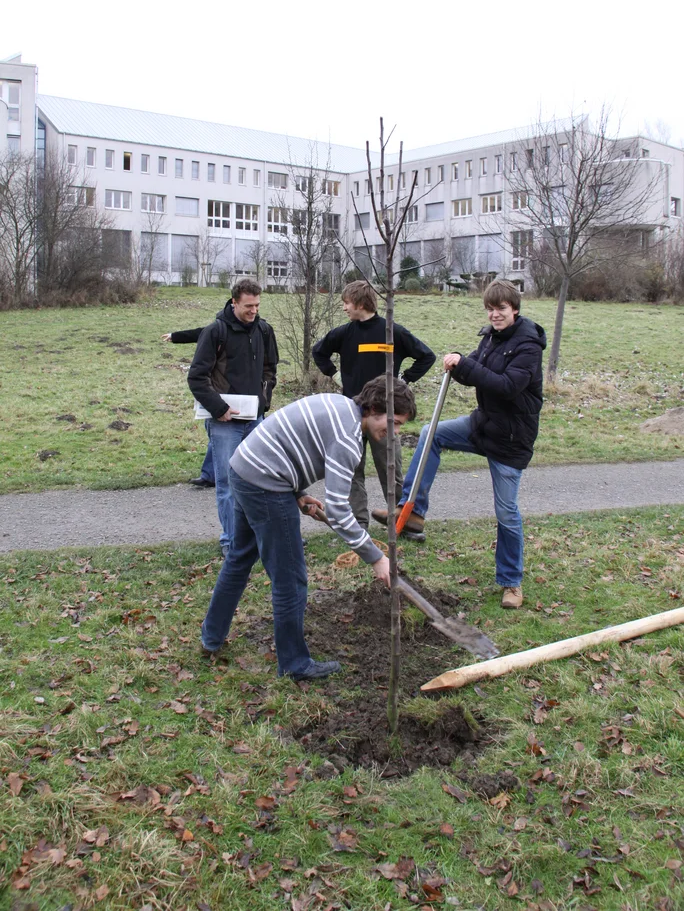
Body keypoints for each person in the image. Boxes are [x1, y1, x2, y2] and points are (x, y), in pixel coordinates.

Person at [200, 376, 417, 679]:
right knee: (290, 578)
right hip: (265, 482)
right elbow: (341, 512)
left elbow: (289, 444)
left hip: (245, 467)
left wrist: (298, 493)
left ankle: (211, 637)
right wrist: (376, 557)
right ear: (374, 407)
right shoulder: (348, 438)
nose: (393, 432)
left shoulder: (339, 405)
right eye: (392, 422)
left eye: (400, 425)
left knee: (240, 557)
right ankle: (294, 664)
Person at [373, 280, 546, 610]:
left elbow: (508, 386)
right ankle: (412, 512)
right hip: (483, 425)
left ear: (516, 310)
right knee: (431, 433)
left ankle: (512, 583)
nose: (495, 315)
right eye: (491, 309)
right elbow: (476, 372)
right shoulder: (491, 338)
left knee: (506, 512)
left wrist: (466, 364)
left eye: (501, 309)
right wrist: (459, 362)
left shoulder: (528, 346)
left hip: (511, 439)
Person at [312, 279, 435, 531]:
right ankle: (359, 523)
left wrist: (404, 380)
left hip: (384, 416)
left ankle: (403, 521)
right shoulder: (344, 333)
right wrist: (334, 375)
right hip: (352, 415)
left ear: (360, 303)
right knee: (353, 471)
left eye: (347, 303)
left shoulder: (392, 331)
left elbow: (427, 356)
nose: (344, 308)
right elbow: (318, 352)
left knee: (391, 469)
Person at [187, 279, 279, 554]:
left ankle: (260, 538)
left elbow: (270, 369)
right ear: (234, 302)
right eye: (248, 306)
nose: (254, 311)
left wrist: (264, 399)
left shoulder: (264, 330)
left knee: (260, 481)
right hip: (224, 424)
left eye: (257, 305)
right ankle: (232, 542)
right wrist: (219, 409)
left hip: (255, 421)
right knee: (228, 485)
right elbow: (196, 377)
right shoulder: (215, 332)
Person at [161, 326, 214, 487]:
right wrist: (175, 336)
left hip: (250, 398)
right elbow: (201, 333)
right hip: (219, 395)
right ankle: (209, 475)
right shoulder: (219, 328)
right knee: (216, 435)